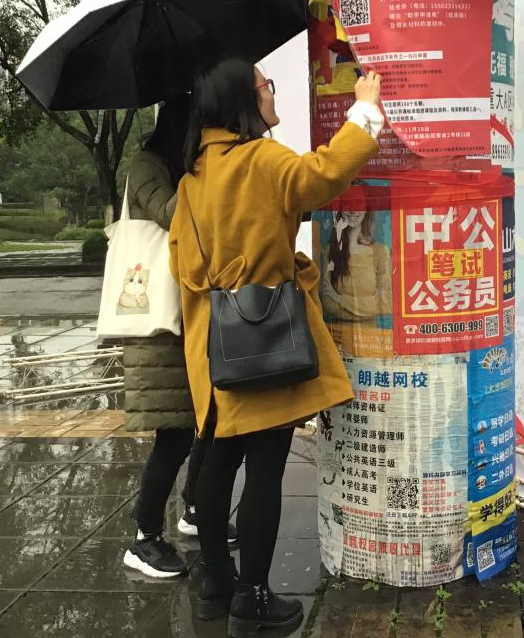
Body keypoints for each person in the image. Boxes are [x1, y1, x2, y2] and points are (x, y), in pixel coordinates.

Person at [169, 59, 383, 635]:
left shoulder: (191, 180)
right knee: (265, 471)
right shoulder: (261, 160)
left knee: (216, 463)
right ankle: (253, 599)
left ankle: (216, 584)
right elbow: (324, 174)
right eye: (266, 85)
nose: (271, 92)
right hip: (266, 341)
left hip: (214, 348)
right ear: (244, 99)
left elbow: (183, 267)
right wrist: (364, 109)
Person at [119, 95, 236, 579]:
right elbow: (174, 214)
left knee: (206, 420)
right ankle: (144, 536)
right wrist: (206, 169)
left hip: (189, 312)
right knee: (173, 433)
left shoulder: (182, 165)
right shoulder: (147, 165)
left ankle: (194, 509)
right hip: (158, 322)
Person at [320, 210, 392, 322]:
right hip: (335, 332)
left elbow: (387, 303)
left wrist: (339, 299)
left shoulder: (380, 252)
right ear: (340, 210)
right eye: (347, 205)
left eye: (358, 204)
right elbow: (327, 304)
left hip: (371, 332)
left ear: (366, 210)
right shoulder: (332, 250)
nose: (353, 210)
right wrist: (367, 308)